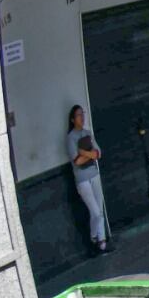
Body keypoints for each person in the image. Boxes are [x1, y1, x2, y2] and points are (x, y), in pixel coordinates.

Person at [66, 104, 109, 254]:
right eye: (79, 115)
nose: (82, 117)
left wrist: (84, 152)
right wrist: (89, 155)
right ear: (73, 119)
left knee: (99, 210)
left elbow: (98, 153)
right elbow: (77, 161)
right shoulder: (71, 138)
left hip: (94, 174)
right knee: (95, 211)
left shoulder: (88, 133)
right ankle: (93, 236)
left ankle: (102, 242)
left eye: (82, 114)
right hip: (83, 180)